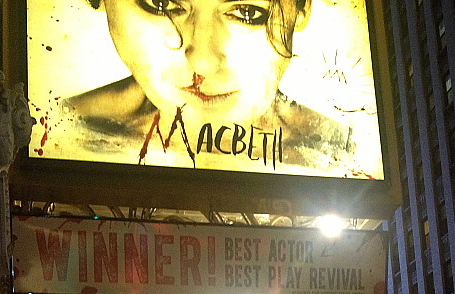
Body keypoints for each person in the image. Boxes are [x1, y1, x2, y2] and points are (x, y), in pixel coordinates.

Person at [52, 0, 376, 175]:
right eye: (161, 4)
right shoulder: (59, 130)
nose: (203, 62)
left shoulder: (343, 156)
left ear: (302, 10)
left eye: (248, 12)